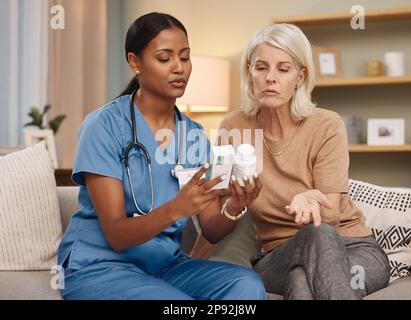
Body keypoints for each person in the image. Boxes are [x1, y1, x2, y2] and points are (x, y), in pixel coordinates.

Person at [57, 12, 266, 300]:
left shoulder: (193, 135)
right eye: (165, 59)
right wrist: (177, 208)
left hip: (164, 267)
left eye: (185, 57)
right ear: (135, 62)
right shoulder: (104, 126)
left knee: (247, 284)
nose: (179, 68)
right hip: (101, 266)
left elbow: (212, 229)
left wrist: (234, 206)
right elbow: (117, 235)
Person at [192, 23, 390, 300]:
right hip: (278, 256)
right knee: (310, 248)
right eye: (261, 68)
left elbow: (329, 216)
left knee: (304, 274)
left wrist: (310, 198)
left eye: (283, 69)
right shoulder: (232, 127)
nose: (270, 78)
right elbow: (214, 221)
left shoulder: (327, 125)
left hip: (353, 249)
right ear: (249, 72)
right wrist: (233, 208)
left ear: (300, 75)